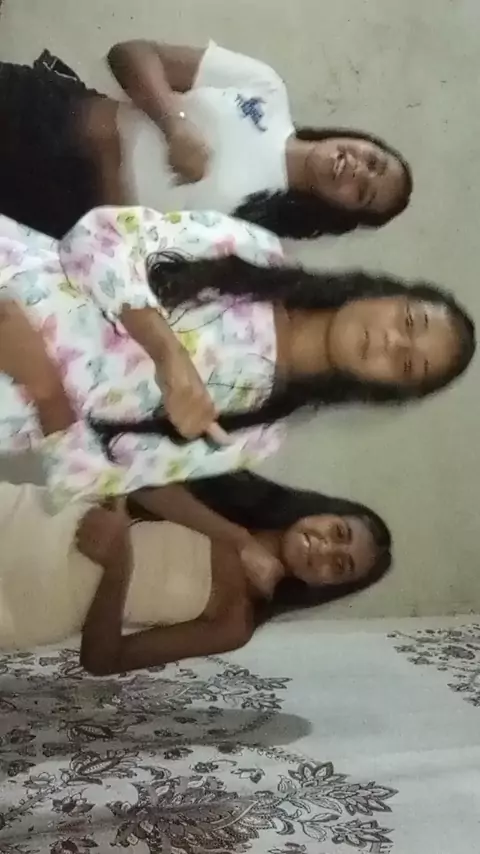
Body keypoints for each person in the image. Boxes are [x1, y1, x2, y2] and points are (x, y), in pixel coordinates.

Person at [0, 207, 474, 510]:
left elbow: (85, 475)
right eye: (409, 321)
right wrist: (166, 351)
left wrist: (44, 389)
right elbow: (98, 236)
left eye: (406, 365)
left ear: (384, 389)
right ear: (388, 293)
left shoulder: (255, 433)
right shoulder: (256, 253)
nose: (392, 341)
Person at [0, 44, 412, 239]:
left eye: (363, 192)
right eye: (373, 161)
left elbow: (133, 252)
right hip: (44, 115)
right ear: (362, 140)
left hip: (53, 211)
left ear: (342, 212)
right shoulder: (267, 89)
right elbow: (129, 54)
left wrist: (112, 182)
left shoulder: (258, 236)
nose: (357, 171)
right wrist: (173, 124)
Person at [0, 477, 392, 674]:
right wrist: (237, 538)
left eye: (338, 566)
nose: (325, 549)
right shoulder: (238, 496)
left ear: (323, 587)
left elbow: (103, 660)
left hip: (31, 606)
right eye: (338, 532)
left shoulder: (235, 620)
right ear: (323, 511)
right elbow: (144, 483)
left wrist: (118, 567)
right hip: (37, 518)